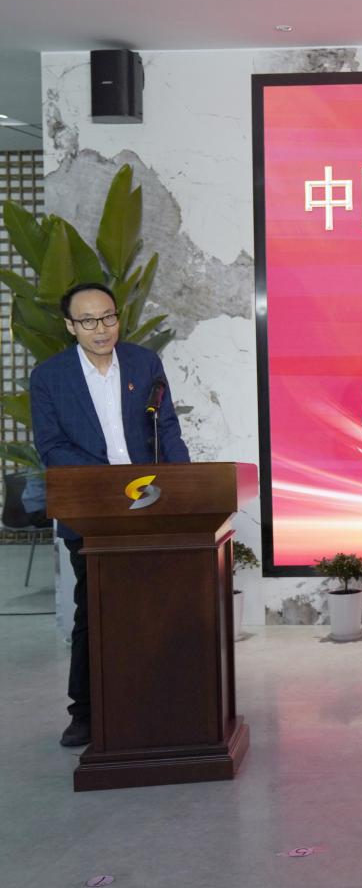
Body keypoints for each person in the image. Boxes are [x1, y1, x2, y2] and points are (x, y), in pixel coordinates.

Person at [29, 281, 190, 748]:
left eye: (108, 317)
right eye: (88, 321)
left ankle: (161, 700)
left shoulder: (144, 363)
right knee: (94, 610)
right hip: (92, 510)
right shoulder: (50, 376)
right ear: (70, 326)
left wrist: (184, 486)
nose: (101, 329)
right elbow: (52, 447)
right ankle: (85, 711)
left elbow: (167, 429)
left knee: (158, 607)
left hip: (151, 505)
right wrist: (113, 485)